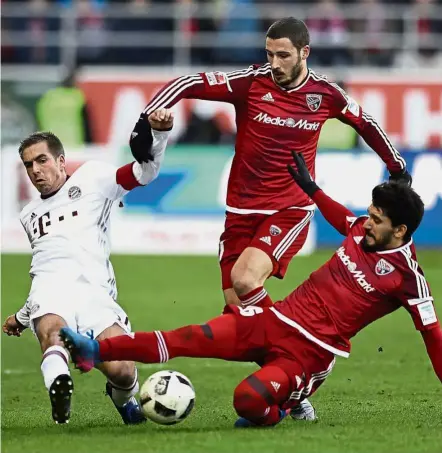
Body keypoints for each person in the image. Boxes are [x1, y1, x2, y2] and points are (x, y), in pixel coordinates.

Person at [59, 151, 441, 428]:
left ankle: (279, 411)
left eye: (377, 219)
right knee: (190, 336)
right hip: (274, 319)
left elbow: (433, 335)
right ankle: (96, 350)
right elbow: (341, 215)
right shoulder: (361, 230)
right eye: (370, 215)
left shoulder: (409, 279)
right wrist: (311, 188)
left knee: (247, 400)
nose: (367, 223)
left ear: (400, 231)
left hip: (309, 355)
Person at [129, 17, 412, 311]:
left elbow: (365, 123)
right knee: (238, 308)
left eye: (284, 55)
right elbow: (187, 83)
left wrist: (397, 168)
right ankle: (285, 350)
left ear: (305, 52)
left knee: (245, 279)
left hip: (289, 208)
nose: (275, 63)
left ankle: (296, 340)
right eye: (269, 54)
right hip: (240, 210)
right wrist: (144, 120)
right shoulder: (250, 83)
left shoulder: (325, 94)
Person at [2, 108, 173, 425]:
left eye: (42, 160)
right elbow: (46, 264)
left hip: (95, 293)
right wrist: (27, 316)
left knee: (123, 371)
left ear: (61, 161)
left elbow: (144, 173)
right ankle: (59, 391)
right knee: (53, 332)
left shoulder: (94, 178)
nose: (36, 170)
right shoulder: (29, 215)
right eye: (28, 165)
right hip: (51, 290)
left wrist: (160, 136)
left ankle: (122, 398)